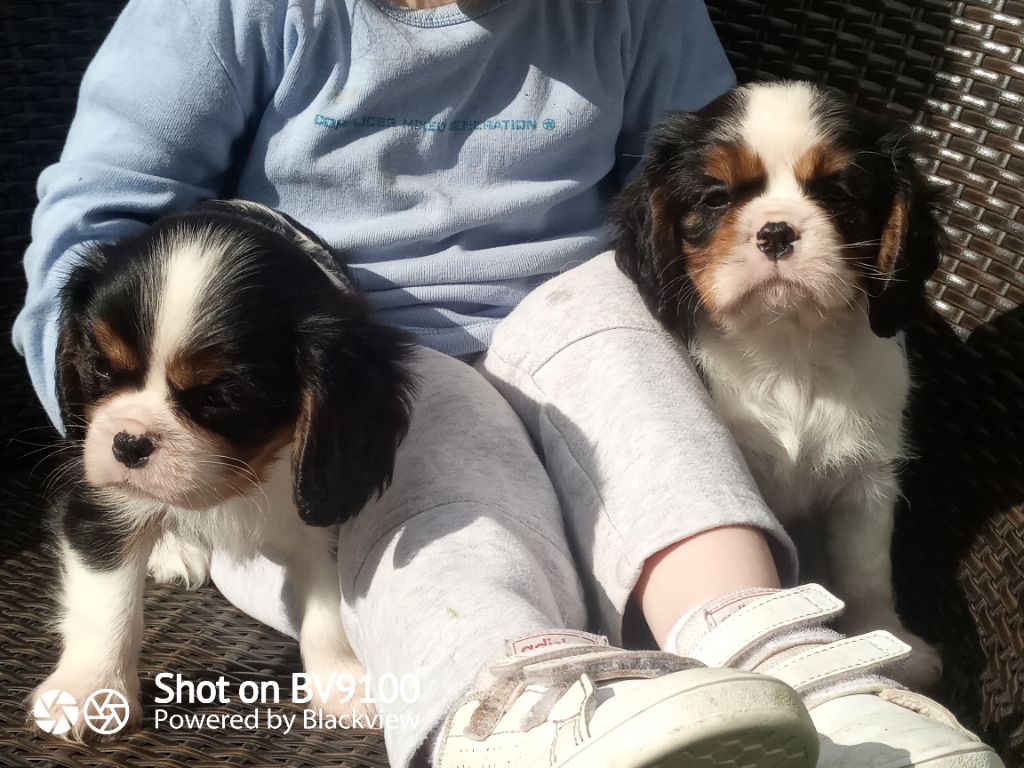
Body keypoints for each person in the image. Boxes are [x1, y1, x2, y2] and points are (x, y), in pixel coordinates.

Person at [14, 0, 1003, 766]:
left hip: (565, 326)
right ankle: (515, 707)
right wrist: (114, 411)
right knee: (440, 428)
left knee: (607, 321)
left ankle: (791, 669)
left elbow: (689, 187)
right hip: (339, 383)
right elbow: (103, 214)